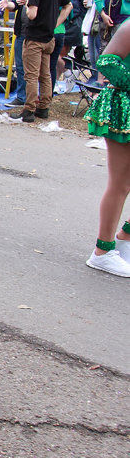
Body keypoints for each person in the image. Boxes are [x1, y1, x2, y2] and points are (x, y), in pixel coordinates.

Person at [84, 20, 130, 276]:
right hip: (124, 109)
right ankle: (102, 251)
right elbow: (106, 62)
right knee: (121, 184)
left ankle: (125, 238)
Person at [10, 0, 71, 123]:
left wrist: (27, 2)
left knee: (30, 74)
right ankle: (43, 106)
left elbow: (31, 14)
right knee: (45, 74)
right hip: (49, 38)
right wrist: (55, 22)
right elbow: (68, 5)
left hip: (35, 37)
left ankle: (29, 109)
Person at [48, 0, 73, 90]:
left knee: (44, 65)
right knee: (52, 64)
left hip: (48, 31)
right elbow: (69, 14)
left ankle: (43, 94)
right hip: (61, 31)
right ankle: (49, 93)